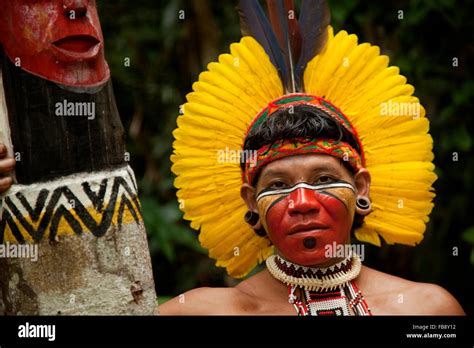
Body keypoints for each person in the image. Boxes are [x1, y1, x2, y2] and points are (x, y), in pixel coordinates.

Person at [162, 0, 465, 315]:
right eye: (278, 184)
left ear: (361, 187)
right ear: (251, 201)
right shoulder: (203, 312)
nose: (302, 202)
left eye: (324, 179)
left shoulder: (427, 310)